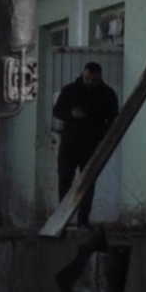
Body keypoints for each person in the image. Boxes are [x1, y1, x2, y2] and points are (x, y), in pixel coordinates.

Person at [48, 59, 118, 207]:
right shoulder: (70, 90)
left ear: (99, 77)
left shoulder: (107, 94)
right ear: (83, 74)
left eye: (94, 79)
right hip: (70, 142)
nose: (90, 82)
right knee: (65, 179)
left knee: (87, 182)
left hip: (92, 143)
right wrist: (72, 114)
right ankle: (62, 218)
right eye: (87, 78)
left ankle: (83, 220)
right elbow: (57, 111)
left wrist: (106, 139)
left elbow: (113, 119)